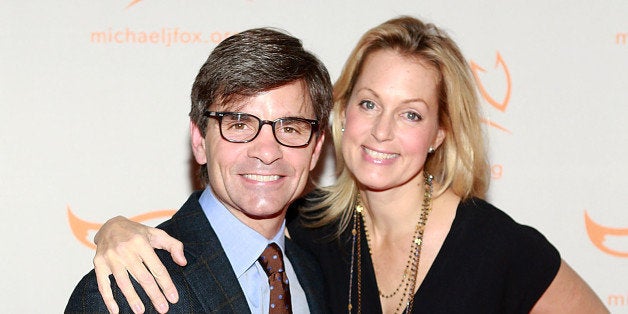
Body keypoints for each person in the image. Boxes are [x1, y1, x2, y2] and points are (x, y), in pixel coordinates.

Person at [91, 16, 608, 313]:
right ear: (340, 116)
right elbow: (227, 219)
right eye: (368, 103)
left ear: (441, 132)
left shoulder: (498, 248)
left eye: (411, 113)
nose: (382, 131)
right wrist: (115, 231)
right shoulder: (312, 226)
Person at [65, 27, 334, 314]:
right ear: (199, 141)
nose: (267, 152)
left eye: (291, 127)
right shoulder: (126, 291)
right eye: (240, 125)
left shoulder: (317, 273)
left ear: (316, 149)